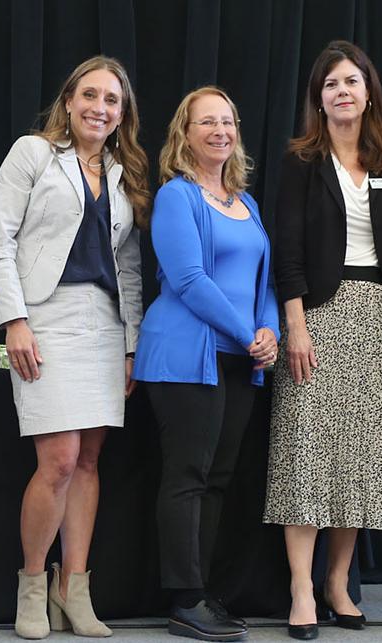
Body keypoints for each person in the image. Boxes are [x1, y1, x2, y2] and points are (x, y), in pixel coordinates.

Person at [0, 56, 149, 640]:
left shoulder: (124, 171)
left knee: (87, 461)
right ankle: (32, 584)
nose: (99, 108)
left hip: (104, 322)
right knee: (55, 461)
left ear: (121, 114)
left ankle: (74, 588)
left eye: (112, 100)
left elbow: (128, 265)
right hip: (44, 317)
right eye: (90, 95)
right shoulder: (32, 153)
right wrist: (15, 321)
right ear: (69, 101)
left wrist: (132, 342)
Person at [262, 40, 382, 640]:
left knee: (361, 459)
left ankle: (338, 582)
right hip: (316, 318)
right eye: (330, 85)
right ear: (318, 100)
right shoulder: (300, 162)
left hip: (377, 314)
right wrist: (294, 323)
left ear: (368, 91)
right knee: (306, 453)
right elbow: (287, 250)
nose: (342, 92)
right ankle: (301, 586)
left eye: (351, 81)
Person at [132, 86, 279, 642]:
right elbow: (189, 280)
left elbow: (263, 280)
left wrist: (268, 329)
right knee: (188, 476)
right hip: (184, 356)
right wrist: (249, 336)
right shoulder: (177, 196)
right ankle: (184, 598)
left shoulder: (248, 203)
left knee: (217, 480)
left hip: (241, 359)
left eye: (228, 122)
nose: (220, 131)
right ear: (185, 134)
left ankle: (202, 593)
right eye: (206, 123)